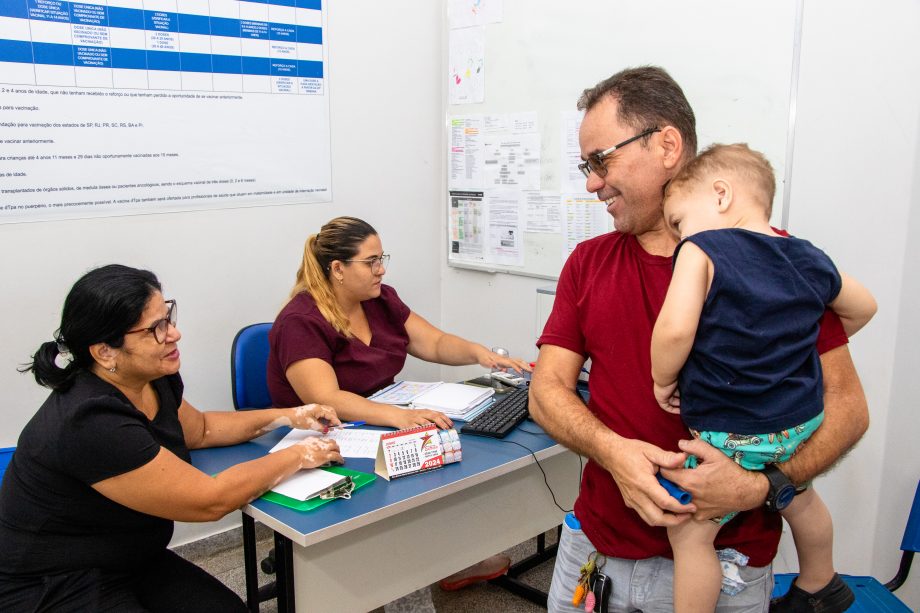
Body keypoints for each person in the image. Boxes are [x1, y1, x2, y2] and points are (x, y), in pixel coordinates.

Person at [528, 66, 870, 613]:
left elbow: (849, 409)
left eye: (601, 160)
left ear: (667, 145)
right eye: (585, 165)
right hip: (594, 554)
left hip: (728, 566)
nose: (591, 182)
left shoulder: (773, 264)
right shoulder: (588, 263)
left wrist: (765, 486)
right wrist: (612, 452)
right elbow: (546, 390)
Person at [0, 264, 344, 613]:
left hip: (129, 556)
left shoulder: (151, 378)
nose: (173, 334)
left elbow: (201, 430)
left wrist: (288, 416)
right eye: (155, 329)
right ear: (105, 352)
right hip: (52, 580)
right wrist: (298, 454)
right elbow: (209, 501)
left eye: (168, 317)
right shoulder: (89, 419)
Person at [650, 143, 877, 613]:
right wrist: (797, 346)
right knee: (798, 497)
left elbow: (674, 331)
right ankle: (821, 582)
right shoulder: (806, 256)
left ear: (720, 196)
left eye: (678, 221)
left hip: (733, 428)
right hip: (799, 424)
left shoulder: (702, 248)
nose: (677, 236)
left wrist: (662, 380)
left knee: (690, 532)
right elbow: (864, 307)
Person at [267, 215, 529, 592]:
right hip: (324, 437)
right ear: (337, 269)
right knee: (412, 463)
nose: (381, 269)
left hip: (376, 421)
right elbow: (325, 399)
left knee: (444, 451)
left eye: (381, 258)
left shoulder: (380, 300)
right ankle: (404, 586)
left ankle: (445, 559)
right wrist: (399, 417)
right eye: (371, 261)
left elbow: (434, 343)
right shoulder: (301, 320)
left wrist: (482, 355)